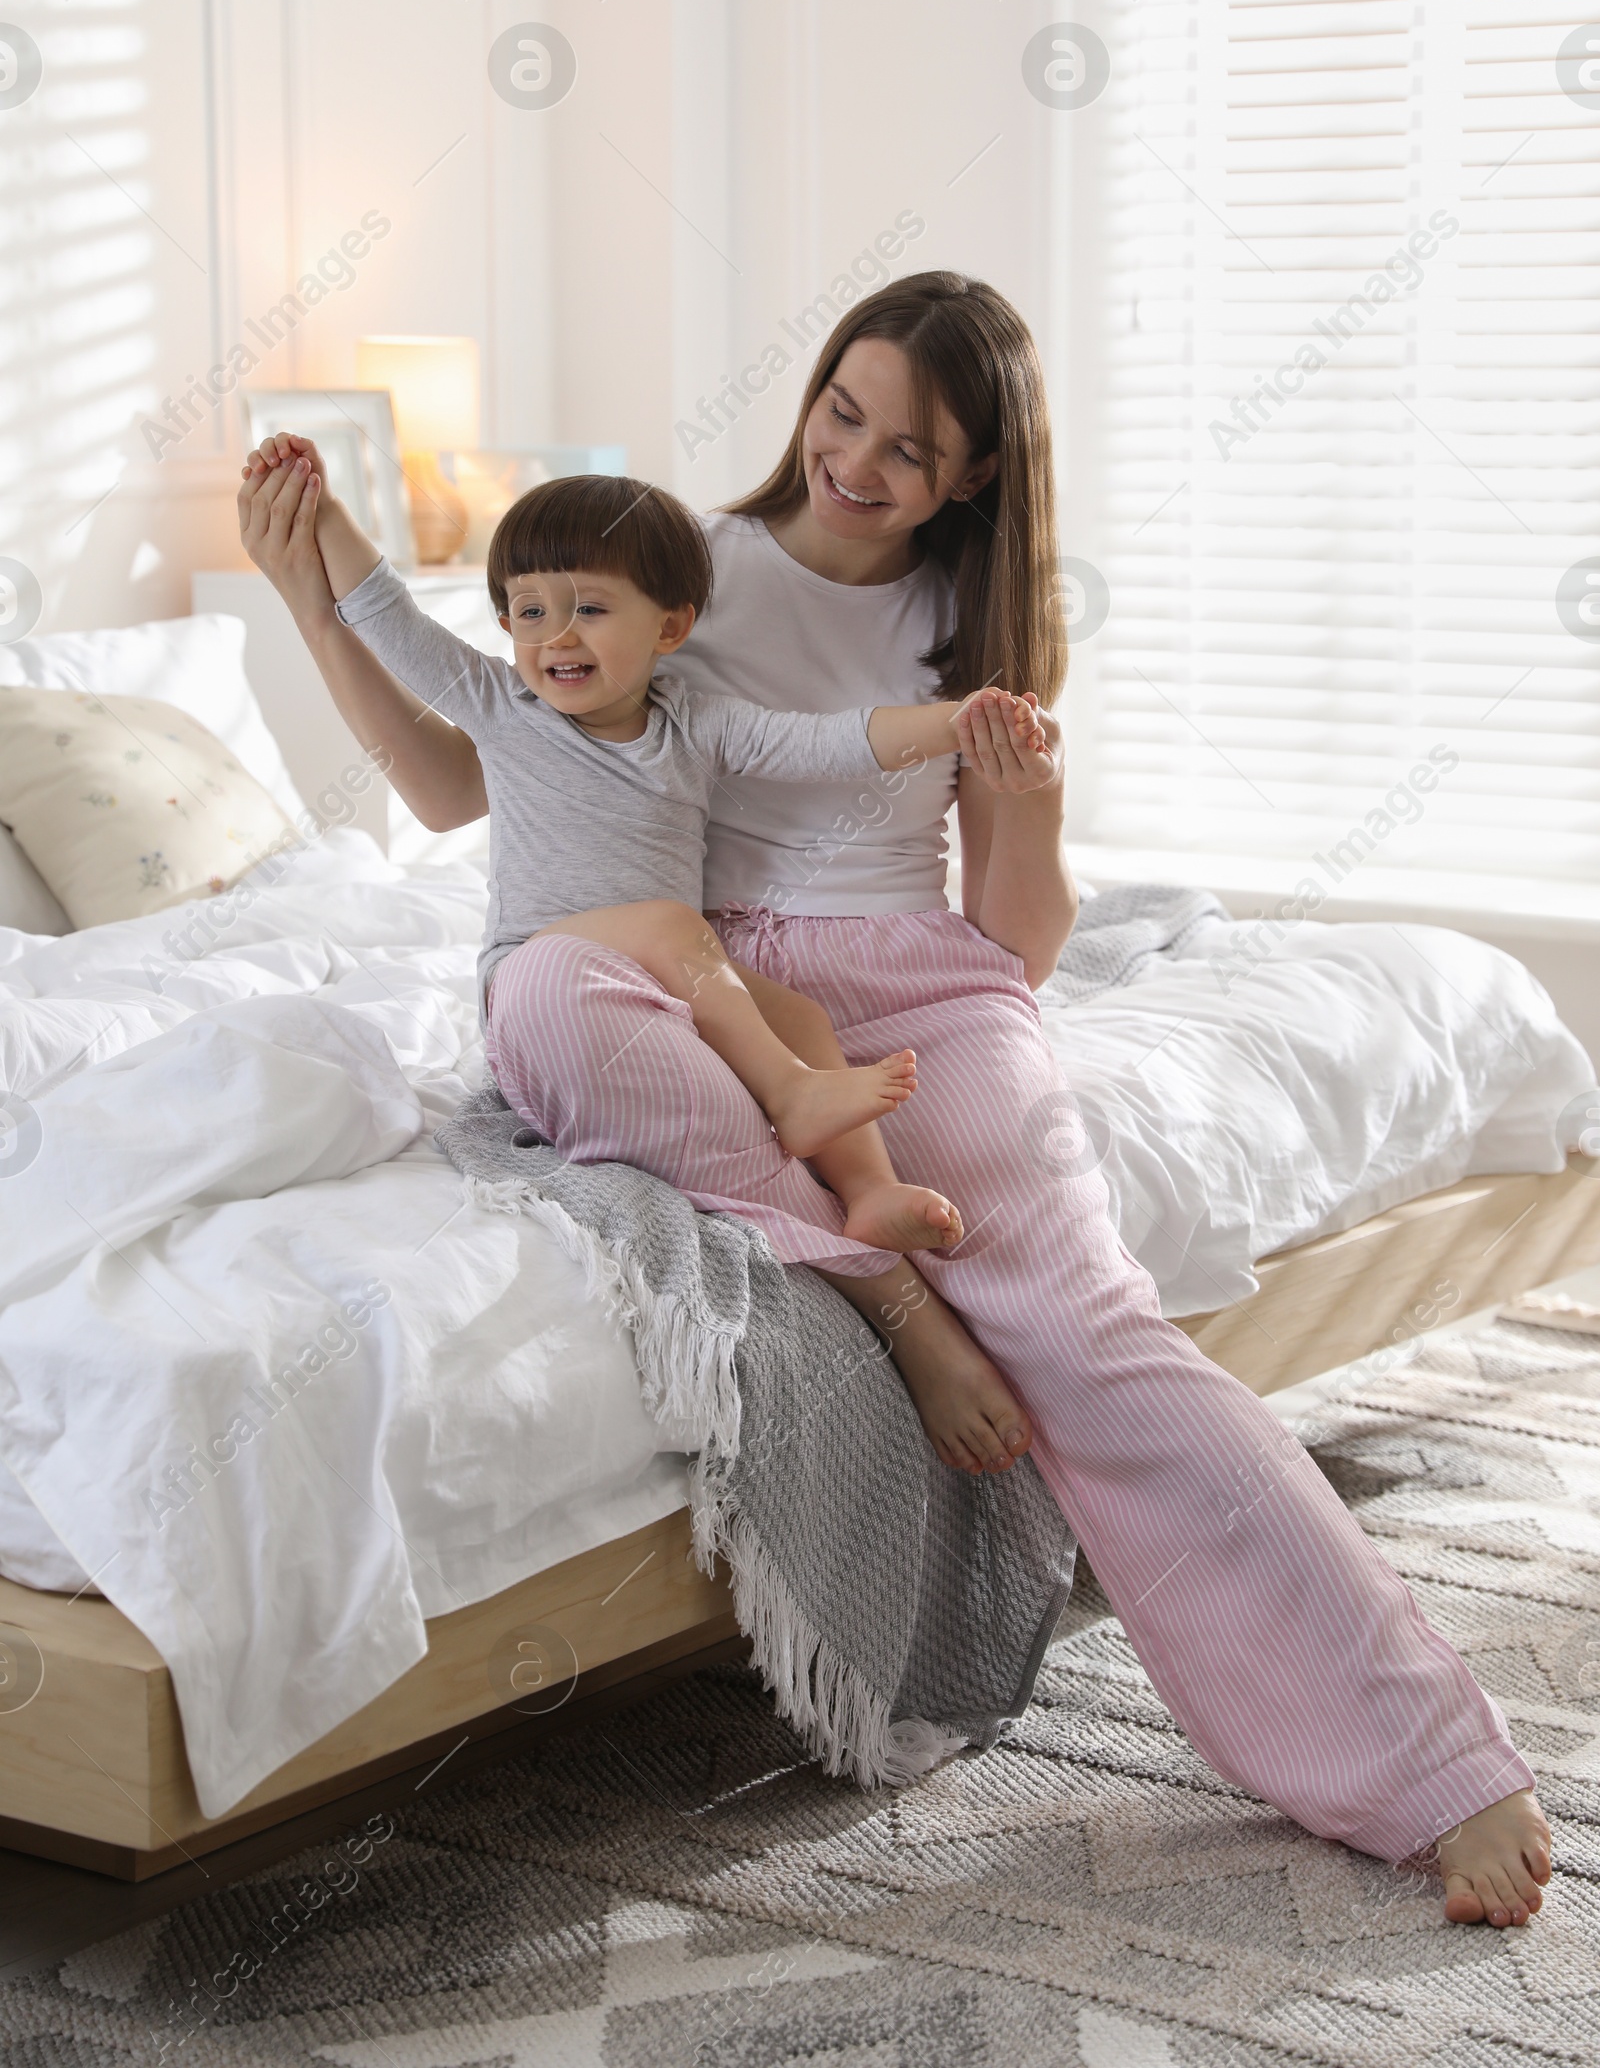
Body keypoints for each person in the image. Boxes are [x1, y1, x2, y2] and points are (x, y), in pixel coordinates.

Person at [238, 271, 1552, 1928]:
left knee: (1092, 1329)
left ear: (973, 478)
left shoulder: (971, 630)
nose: (856, 459)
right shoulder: (672, 572)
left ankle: (1432, 1763)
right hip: (713, 989)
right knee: (576, 1018)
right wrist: (311, 592)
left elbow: (1016, 937)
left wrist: (1034, 816)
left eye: (909, 447)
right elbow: (461, 782)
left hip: (926, 989)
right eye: (840, 411)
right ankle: (897, 1292)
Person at [244, 441, 1048, 1482]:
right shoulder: (504, 709)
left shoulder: (695, 725)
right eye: (526, 611)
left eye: (588, 608)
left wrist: (958, 718)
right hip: (543, 973)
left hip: (670, 986)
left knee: (798, 1014)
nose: (552, 636)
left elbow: (831, 743)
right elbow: (386, 615)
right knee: (679, 929)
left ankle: (864, 1192)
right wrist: (332, 515)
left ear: (670, 627)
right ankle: (800, 1110)